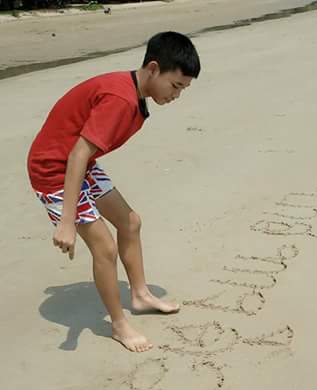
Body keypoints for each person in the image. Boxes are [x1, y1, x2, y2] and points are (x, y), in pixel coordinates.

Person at [27, 31, 201, 352]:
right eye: (175, 85)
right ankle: (119, 325)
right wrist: (66, 221)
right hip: (54, 170)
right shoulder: (120, 100)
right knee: (104, 248)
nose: (177, 95)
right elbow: (78, 154)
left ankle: (140, 295)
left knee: (130, 222)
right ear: (153, 69)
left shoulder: (132, 92)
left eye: (183, 89)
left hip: (79, 163)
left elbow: (82, 153)